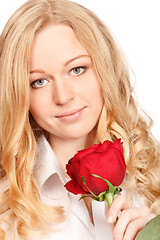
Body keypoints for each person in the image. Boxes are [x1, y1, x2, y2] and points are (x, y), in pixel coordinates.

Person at [0, 0, 160, 239]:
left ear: (106, 69)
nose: (63, 97)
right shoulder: (6, 210)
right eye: (39, 82)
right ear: (19, 95)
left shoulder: (153, 176)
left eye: (77, 69)